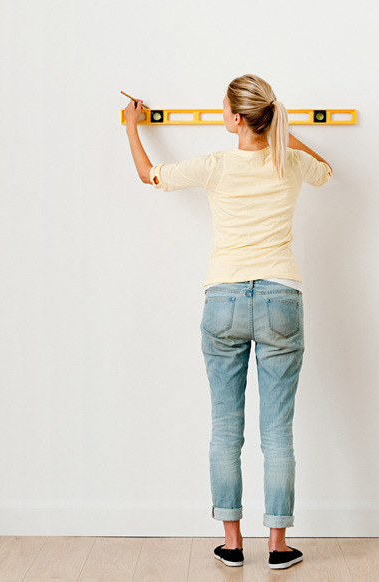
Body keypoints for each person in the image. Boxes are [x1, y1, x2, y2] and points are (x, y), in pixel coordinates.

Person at [124, 74, 332, 570]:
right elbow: (326, 169)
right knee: (277, 431)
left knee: (225, 427)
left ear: (236, 119)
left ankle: (233, 544)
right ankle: (279, 547)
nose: (221, 115)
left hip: (224, 298)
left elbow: (149, 175)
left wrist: (132, 127)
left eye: (224, 109)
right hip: (282, 295)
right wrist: (280, 129)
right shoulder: (293, 163)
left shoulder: (216, 166)